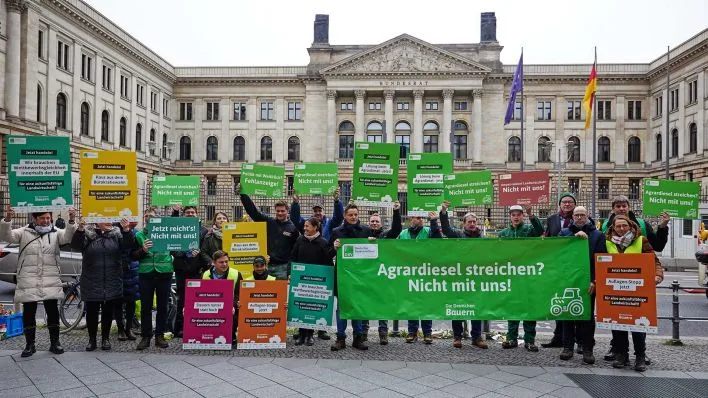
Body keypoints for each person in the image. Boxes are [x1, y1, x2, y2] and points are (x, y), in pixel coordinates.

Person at [0, 206, 77, 357]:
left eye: (48, 218)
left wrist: (72, 220)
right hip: (29, 277)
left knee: (52, 311)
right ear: (35, 219)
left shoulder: (55, 232)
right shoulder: (23, 232)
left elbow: (68, 237)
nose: (46, 221)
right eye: (42, 218)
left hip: (50, 277)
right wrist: (8, 219)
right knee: (29, 311)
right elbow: (7, 236)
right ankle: (30, 344)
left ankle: (55, 342)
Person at [601, 195, 669, 362]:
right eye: (618, 206)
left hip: (638, 285)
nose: (621, 208)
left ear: (629, 207)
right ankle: (618, 351)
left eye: (624, 205)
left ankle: (640, 354)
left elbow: (656, 248)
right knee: (617, 321)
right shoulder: (605, 229)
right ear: (613, 209)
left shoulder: (641, 229)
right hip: (615, 286)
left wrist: (663, 226)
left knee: (638, 321)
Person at [71, 217, 137, 351]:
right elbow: (76, 245)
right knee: (92, 312)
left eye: (110, 220)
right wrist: (79, 229)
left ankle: (105, 339)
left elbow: (129, 246)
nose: (110, 222)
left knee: (107, 311)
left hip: (112, 280)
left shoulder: (117, 235)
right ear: (96, 221)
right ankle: (92, 340)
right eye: (105, 220)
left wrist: (126, 230)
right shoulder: (88, 235)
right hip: (92, 281)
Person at [558, 206, 605, 364]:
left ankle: (587, 348)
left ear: (588, 216)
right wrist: (573, 237)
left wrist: (595, 280)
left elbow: (600, 260)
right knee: (567, 316)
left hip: (588, 283)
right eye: (576, 215)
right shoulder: (564, 233)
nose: (579, 218)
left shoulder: (598, 235)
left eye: (582, 215)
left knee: (587, 317)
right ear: (572, 216)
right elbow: (558, 254)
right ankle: (567, 347)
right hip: (569, 282)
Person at [439, 201, 488, 349]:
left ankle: (477, 337)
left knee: (476, 307)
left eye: (474, 221)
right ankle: (457, 337)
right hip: (459, 277)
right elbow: (446, 229)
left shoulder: (483, 239)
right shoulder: (458, 234)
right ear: (464, 224)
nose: (472, 224)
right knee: (457, 306)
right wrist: (443, 212)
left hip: (476, 278)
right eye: (469, 222)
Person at [499, 204, 544, 352]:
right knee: (513, 307)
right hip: (511, 275)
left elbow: (540, 230)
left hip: (528, 275)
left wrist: (532, 215)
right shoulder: (503, 233)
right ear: (510, 216)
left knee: (529, 307)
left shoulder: (529, 230)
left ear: (522, 216)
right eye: (513, 214)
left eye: (519, 214)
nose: (516, 217)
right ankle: (511, 338)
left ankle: (529, 340)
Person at [330, 202, 372, 351]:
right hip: (343, 277)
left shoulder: (367, 231)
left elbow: (375, 253)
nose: (353, 217)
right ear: (344, 216)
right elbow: (328, 253)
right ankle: (340, 338)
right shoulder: (336, 231)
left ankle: (358, 338)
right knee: (341, 309)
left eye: (355, 214)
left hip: (360, 277)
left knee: (358, 308)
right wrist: (334, 248)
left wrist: (373, 244)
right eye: (350, 215)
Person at [237, 184, 300, 279]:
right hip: (267, 266)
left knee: (281, 293)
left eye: (282, 211)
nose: (280, 213)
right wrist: (243, 194)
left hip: (283, 268)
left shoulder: (293, 227)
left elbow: (295, 250)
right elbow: (254, 212)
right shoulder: (269, 222)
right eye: (278, 211)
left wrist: (295, 202)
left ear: (287, 211)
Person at [290, 217, 336, 346]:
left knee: (312, 308)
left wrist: (334, 249)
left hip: (316, 282)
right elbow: (293, 257)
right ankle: (301, 334)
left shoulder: (323, 242)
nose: (304, 228)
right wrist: (290, 273)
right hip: (301, 280)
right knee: (301, 306)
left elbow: (328, 259)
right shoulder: (300, 240)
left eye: (307, 226)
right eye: (304, 226)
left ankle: (310, 335)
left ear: (315, 227)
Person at [133, 209, 173, 350]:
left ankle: (159, 336)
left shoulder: (166, 233)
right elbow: (133, 255)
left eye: (152, 216)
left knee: (163, 306)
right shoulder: (139, 235)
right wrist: (142, 250)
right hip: (146, 274)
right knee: (146, 307)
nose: (149, 218)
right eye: (147, 216)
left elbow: (177, 245)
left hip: (164, 273)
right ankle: (146, 336)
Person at [400, 212, 442, 345]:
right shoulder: (403, 234)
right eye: (416, 217)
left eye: (421, 218)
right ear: (411, 219)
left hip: (425, 272)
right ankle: (412, 332)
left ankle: (427, 332)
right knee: (411, 302)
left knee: (426, 303)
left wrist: (434, 221)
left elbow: (438, 241)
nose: (419, 220)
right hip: (409, 272)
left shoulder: (429, 231)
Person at [542, 192, 577, 349]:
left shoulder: (580, 218)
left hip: (573, 265)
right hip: (556, 265)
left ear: (574, 204)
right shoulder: (552, 219)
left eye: (570, 202)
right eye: (564, 202)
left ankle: (573, 338)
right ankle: (558, 337)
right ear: (560, 204)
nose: (567, 204)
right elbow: (548, 238)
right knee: (558, 300)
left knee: (570, 302)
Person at [364, 202, 402, 344]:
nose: (374, 223)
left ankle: (383, 333)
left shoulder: (386, 235)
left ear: (381, 224)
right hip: (367, 276)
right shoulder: (363, 235)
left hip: (383, 275)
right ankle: (363, 332)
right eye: (372, 221)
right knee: (365, 305)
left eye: (376, 221)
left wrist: (396, 211)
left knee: (382, 305)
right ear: (369, 223)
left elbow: (397, 229)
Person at [171, 205, 209, 338]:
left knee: (195, 299)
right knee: (181, 299)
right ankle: (180, 328)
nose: (190, 214)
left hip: (196, 269)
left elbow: (205, 250)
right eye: (188, 212)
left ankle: (194, 326)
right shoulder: (178, 228)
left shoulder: (204, 230)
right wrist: (184, 254)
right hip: (181, 269)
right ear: (183, 214)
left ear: (197, 214)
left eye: (193, 212)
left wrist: (199, 254)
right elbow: (172, 249)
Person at [203, 251, 243, 343]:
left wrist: (231, 304)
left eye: (226, 261)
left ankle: (231, 334)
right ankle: (208, 335)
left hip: (230, 305)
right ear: (214, 262)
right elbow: (202, 294)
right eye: (221, 262)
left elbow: (239, 294)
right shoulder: (205, 274)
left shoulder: (236, 274)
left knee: (235, 310)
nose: (224, 264)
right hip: (211, 305)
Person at [117, 221, 140, 341]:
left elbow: (134, 248)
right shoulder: (115, 229)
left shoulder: (135, 233)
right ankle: (120, 328)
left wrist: (127, 231)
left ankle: (128, 327)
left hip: (131, 269)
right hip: (118, 268)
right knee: (118, 301)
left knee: (131, 301)